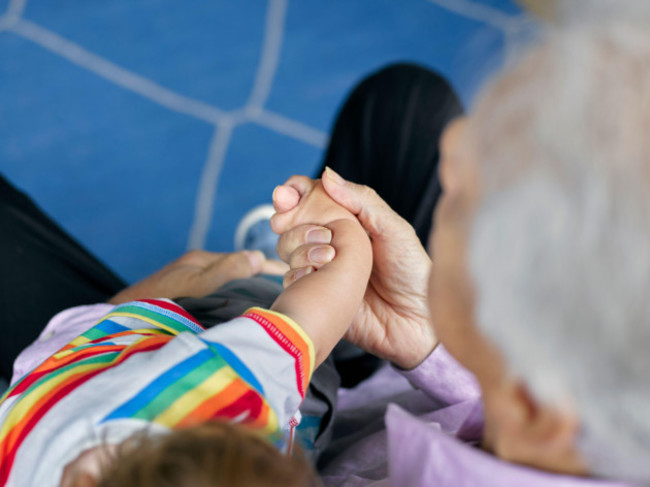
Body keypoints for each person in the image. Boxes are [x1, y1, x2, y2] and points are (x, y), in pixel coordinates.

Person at [273, 20, 650, 487]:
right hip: (394, 375)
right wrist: (428, 345)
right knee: (409, 101)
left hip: (278, 426)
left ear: (530, 405)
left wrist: (186, 295)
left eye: (466, 200)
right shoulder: (568, 410)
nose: (451, 147)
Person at [0, 172, 373, 487]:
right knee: (269, 305)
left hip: (74, 358)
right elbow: (310, 319)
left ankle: (275, 265)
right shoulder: (218, 388)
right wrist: (336, 232)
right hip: (187, 347)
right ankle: (278, 272)